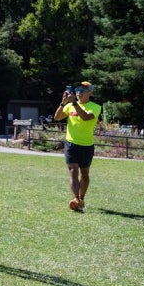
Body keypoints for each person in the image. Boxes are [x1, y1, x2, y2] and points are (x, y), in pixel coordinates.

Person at [53, 81, 102, 212]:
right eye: (77, 90)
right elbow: (57, 117)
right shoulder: (69, 106)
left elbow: (86, 117)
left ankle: (81, 198)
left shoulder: (95, 107)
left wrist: (74, 103)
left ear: (90, 93)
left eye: (83, 90)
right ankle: (75, 199)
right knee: (73, 171)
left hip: (86, 145)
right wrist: (63, 103)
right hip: (71, 143)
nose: (79, 92)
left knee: (84, 174)